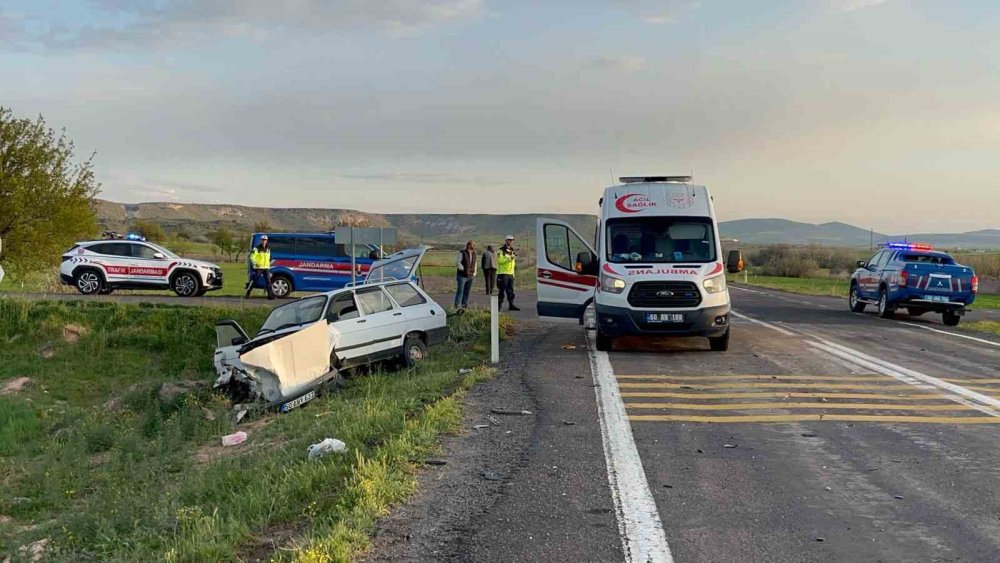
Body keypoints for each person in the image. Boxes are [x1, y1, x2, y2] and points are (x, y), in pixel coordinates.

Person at [245, 235, 275, 299]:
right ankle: (248, 293)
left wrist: (269, 263)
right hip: (258, 268)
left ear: (267, 241)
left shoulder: (268, 248)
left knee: (268, 282)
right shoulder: (256, 248)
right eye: (263, 240)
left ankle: (270, 295)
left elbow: (269, 257)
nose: (264, 241)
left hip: (266, 268)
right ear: (261, 240)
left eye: (265, 240)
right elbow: (252, 257)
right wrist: (256, 263)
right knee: (254, 280)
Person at [496, 235, 519, 311]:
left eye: (512, 240)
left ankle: (511, 305)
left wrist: (513, 274)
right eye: (509, 240)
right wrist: (509, 258)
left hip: (510, 274)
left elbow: (513, 264)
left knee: (510, 291)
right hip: (502, 274)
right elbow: (499, 261)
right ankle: (498, 307)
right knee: (501, 291)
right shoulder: (501, 251)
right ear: (506, 241)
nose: (511, 241)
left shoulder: (512, 250)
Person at [454, 240, 477, 309]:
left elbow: (475, 263)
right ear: (468, 245)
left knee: (467, 291)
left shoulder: (474, 254)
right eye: (472, 244)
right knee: (460, 291)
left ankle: (464, 305)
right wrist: (462, 268)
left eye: (474, 244)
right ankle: (456, 305)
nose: (473, 246)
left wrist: (475, 273)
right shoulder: (462, 252)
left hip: (471, 275)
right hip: (462, 275)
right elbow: (458, 262)